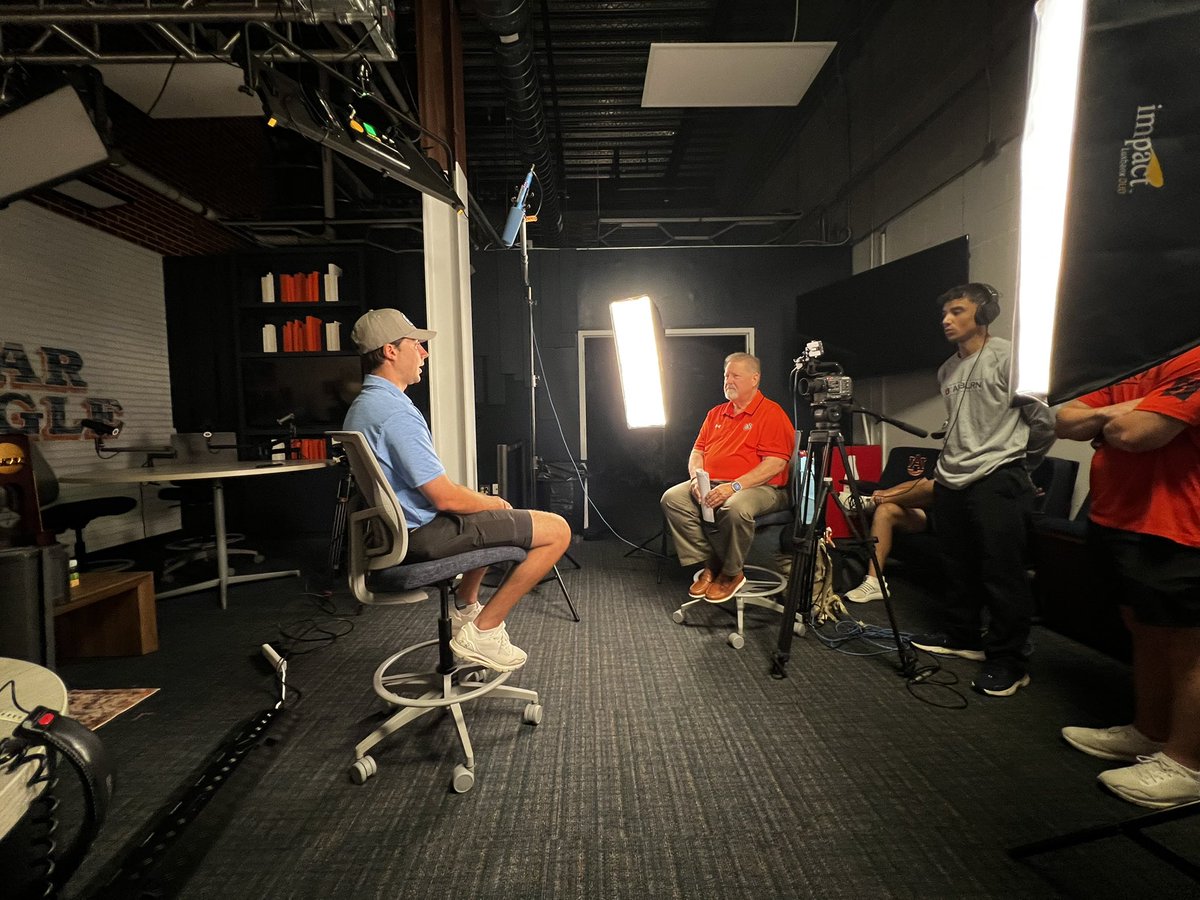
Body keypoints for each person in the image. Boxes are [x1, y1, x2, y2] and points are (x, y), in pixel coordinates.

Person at [343, 308, 571, 673]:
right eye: (416, 345)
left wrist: (484, 505)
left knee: (485, 510)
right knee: (557, 530)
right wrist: (493, 501)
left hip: (394, 533)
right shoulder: (395, 412)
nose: (424, 353)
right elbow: (444, 498)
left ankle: (465, 607)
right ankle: (483, 631)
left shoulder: (364, 406)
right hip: (422, 535)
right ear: (390, 351)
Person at [1056, 346, 1200, 809]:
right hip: (1119, 519)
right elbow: (1066, 421)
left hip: (1179, 524)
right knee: (1144, 629)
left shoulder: (1194, 358)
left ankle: (1187, 764)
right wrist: (1127, 410)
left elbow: (1135, 432)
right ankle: (1149, 731)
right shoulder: (1135, 360)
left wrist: (1114, 415)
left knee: (1189, 646)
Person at [909, 284, 1055, 697]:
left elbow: (1044, 422)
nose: (947, 320)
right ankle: (963, 637)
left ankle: (1009, 660)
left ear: (984, 313)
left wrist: (1022, 465)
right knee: (957, 564)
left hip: (998, 476)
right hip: (951, 478)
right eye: (945, 314)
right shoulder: (947, 370)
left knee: (1002, 573)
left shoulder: (1009, 358)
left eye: (958, 311)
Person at [660, 352, 794, 603]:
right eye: (726, 376)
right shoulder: (716, 413)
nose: (728, 381)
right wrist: (694, 481)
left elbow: (775, 464)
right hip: (713, 483)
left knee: (734, 508)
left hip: (761, 488)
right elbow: (697, 451)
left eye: (736, 376)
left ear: (755, 379)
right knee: (673, 499)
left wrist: (734, 486)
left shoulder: (771, 413)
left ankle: (731, 574)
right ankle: (711, 563)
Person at [836, 476, 934, 603]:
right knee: (884, 511)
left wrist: (885, 495)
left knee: (931, 486)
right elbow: (920, 481)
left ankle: (874, 501)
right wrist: (885, 492)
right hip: (915, 507)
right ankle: (874, 581)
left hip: (936, 511)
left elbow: (929, 486)